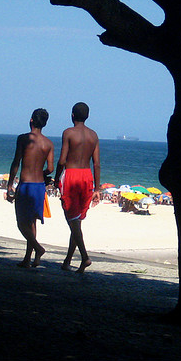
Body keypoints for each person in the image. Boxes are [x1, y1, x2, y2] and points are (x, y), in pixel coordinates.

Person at [55, 102, 101, 273]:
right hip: (87, 176)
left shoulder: (68, 133)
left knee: (72, 221)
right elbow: (96, 164)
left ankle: (84, 256)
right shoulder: (93, 135)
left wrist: (55, 177)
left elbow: (61, 160)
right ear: (87, 116)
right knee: (76, 221)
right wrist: (97, 188)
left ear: (72, 115)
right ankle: (67, 261)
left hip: (72, 175)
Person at [6, 108, 54, 268]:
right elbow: (51, 168)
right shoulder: (48, 143)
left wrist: (9, 185)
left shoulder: (23, 139)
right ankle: (29, 259)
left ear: (31, 120)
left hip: (26, 184)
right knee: (32, 222)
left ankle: (38, 248)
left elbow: (16, 162)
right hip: (39, 186)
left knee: (21, 223)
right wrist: (40, 173)